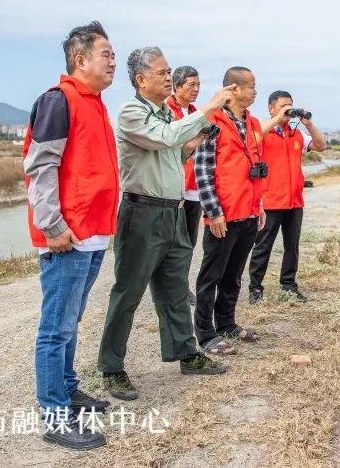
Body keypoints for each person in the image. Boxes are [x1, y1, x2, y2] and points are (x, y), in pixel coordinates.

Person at [98, 48, 236, 401]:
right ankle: (112, 368)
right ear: (141, 79)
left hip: (172, 213)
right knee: (128, 293)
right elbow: (165, 138)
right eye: (162, 72)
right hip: (142, 213)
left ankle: (187, 354)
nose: (167, 77)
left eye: (168, 70)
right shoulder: (132, 112)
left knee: (175, 291)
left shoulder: (162, 114)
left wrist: (196, 141)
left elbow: (173, 151)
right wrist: (208, 108)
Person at [23, 21, 117, 451]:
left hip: (94, 233)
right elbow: (40, 168)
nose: (113, 61)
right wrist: (53, 225)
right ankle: (55, 415)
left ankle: (68, 388)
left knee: (71, 321)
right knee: (55, 328)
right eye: (106, 54)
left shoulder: (95, 104)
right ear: (80, 60)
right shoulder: (58, 101)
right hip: (69, 235)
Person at [192, 66, 266, 355]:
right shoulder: (212, 121)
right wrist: (213, 211)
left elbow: (256, 168)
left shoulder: (254, 123)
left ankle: (227, 322)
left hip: (248, 211)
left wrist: (259, 205)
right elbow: (203, 170)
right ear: (234, 89)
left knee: (234, 274)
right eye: (251, 85)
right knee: (211, 275)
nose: (255, 91)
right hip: (223, 214)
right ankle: (206, 333)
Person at [247, 91, 326, 304]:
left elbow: (321, 145)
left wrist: (308, 124)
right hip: (270, 201)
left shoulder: (297, 134)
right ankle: (255, 289)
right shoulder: (262, 130)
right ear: (272, 108)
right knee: (263, 246)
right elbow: (251, 137)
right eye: (283, 106)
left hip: (294, 201)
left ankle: (289, 286)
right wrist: (276, 120)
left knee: (292, 245)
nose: (287, 110)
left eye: (290, 106)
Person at [166, 65, 203, 306]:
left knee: (188, 242)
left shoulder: (195, 112)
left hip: (193, 188)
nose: (196, 90)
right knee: (169, 243)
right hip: (171, 189)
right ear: (176, 86)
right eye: (191, 85)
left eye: (198, 85)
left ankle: (181, 286)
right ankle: (167, 286)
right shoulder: (165, 111)